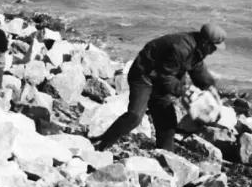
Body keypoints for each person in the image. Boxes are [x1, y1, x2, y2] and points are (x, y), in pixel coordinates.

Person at [94, 23, 227, 152]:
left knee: (167, 123)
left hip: (161, 76)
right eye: (215, 47)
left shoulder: (198, 49)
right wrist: (184, 91)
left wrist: (211, 88)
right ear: (206, 43)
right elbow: (165, 77)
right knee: (134, 116)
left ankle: (165, 157)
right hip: (144, 75)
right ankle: (102, 144)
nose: (215, 51)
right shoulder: (181, 48)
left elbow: (198, 71)